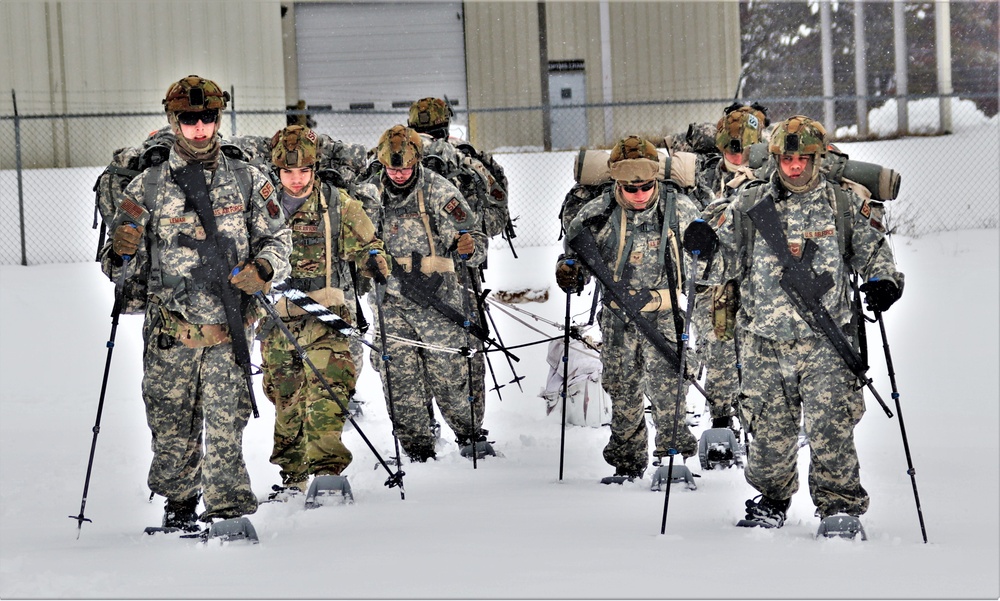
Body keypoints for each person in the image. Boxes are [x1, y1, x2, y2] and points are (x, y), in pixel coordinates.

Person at [683, 115, 904, 531]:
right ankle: (772, 498)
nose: (795, 167)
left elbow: (874, 253)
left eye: (804, 158)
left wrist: (884, 283)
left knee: (830, 429)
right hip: (762, 341)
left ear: (818, 158)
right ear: (775, 158)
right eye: (787, 159)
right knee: (767, 433)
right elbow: (718, 267)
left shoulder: (842, 204)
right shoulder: (747, 207)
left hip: (827, 340)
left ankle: (839, 507)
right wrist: (703, 247)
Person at [100, 75, 291, 530]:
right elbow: (116, 268)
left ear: (219, 118)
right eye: (190, 119)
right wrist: (121, 248)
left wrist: (263, 269)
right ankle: (179, 507)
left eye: (208, 117)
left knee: (227, 428)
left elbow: (277, 238)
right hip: (172, 335)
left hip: (229, 332)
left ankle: (228, 514)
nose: (200, 127)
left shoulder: (246, 178)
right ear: (175, 121)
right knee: (171, 430)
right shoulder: (146, 186)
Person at [556, 135, 702, 480]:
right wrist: (569, 275)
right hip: (617, 317)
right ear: (616, 183)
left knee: (670, 388)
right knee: (622, 390)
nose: (639, 195)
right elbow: (574, 268)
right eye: (630, 188)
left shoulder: (680, 210)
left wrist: (705, 249)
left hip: (665, 314)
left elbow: (710, 266)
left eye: (646, 187)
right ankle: (627, 461)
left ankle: (673, 459)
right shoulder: (595, 215)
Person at [258, 125, 391, 498]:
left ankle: (327, 475)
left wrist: (374, 260)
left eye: (304, 172)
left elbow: (369, 245)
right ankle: (292, 476)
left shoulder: (337, 203)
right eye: (288, 172)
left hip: (326, 317)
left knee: (327, 394)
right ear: (276, 171)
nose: (296, 180)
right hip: (277, 322)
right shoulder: (260, 206)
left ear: (314, 169)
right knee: (287, 400)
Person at [367, 124, 489, 462]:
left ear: (418, 161)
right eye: (393, 168)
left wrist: (468, 246)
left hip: (440, 301)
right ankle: (417, 448)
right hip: (392, 303)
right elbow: (356, 242)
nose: (400, 174)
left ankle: (470, 435)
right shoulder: (369, 194)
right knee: (400, 379)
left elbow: (476, 241)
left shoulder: (439, 191)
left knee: (451, 375)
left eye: (406, 167)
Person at [691, 103, 770, 436]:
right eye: (730, 147)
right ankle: (722, 419)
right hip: (713, 282)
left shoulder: (771, 174)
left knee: (758, 353)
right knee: (718, 349)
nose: (737, 154)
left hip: (759, 278)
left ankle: (763, 423)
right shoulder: (703, 177)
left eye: (745, 147)